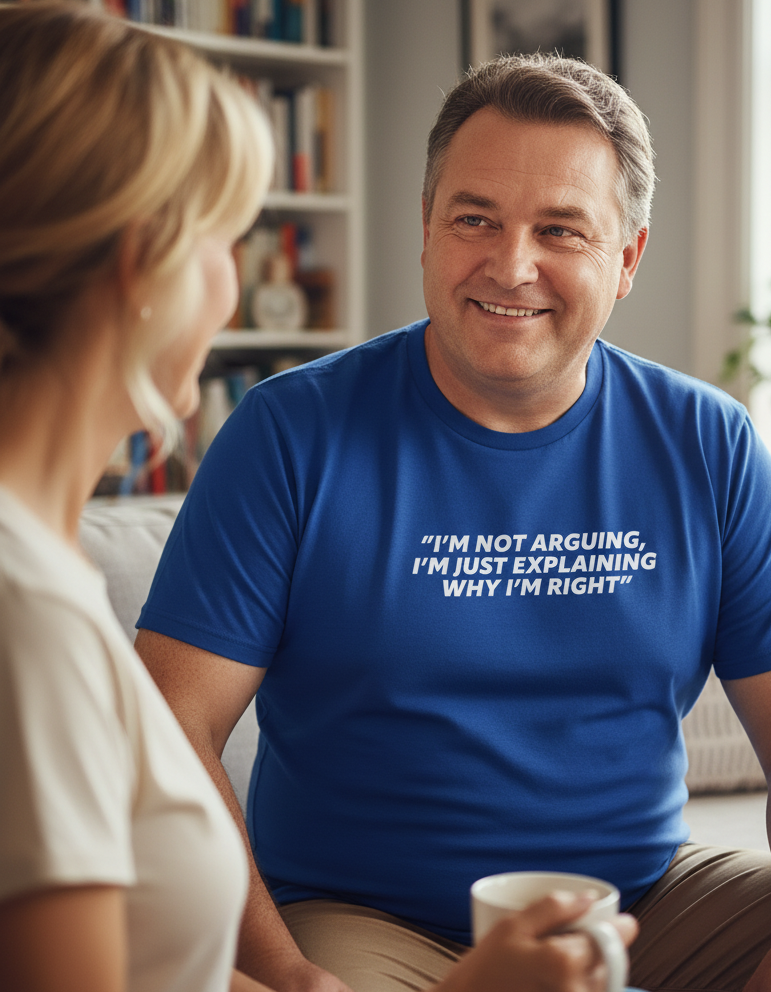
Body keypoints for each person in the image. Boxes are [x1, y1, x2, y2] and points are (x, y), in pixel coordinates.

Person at [134, 53, 771, 992]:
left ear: (628, 258)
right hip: (363, 917)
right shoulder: (289, 434)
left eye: (561, 229)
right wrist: (280, 971)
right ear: (428, 230)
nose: (510, 264)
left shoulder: (709, 442)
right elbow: (170, 724)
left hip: (638, 903)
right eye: (474, 218)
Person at [0, 9, 635, 992]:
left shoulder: (43, 580)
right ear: (141, 265)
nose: (233, 286)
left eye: (557, 229)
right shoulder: (25, 614)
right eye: (226, 238)